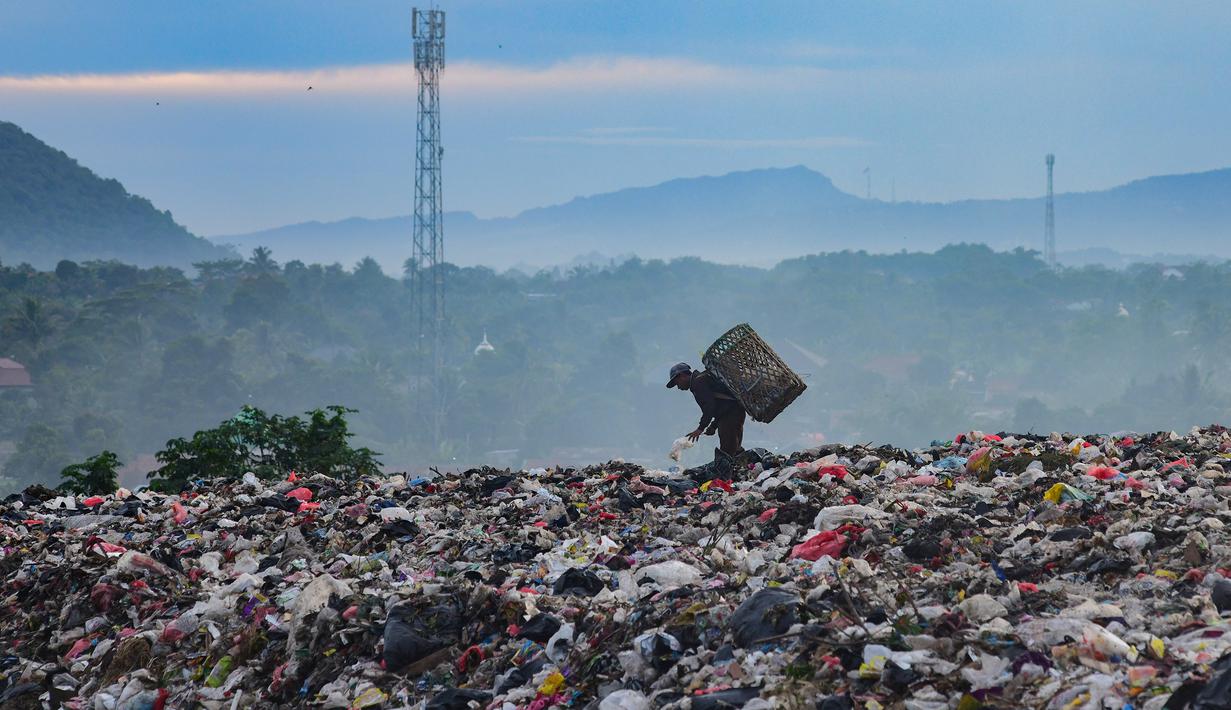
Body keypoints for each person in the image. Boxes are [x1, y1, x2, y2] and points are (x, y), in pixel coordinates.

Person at [665, 362, 746, 457]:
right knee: (734, 449)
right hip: (734, 412)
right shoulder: (701, 380)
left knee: (727, 452)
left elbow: (710, 406)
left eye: (677, 383)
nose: (678, 387)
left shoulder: (698, 383)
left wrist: (700, 428)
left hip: (731, 414)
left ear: (682, 376)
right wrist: (713, 426)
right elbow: (721, 406)